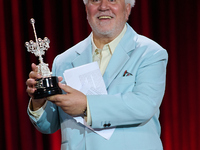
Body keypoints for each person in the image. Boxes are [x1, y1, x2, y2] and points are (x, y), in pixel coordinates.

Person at [26, 0, 168, 149]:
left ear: (127, 9)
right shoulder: (63, 60)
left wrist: (86, 106)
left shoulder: (150, 52)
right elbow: (48, 125)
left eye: (112, 0)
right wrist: (38, 101)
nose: (103, 7)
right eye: (95, 0)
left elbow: (143, 105)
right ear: (87, 9)